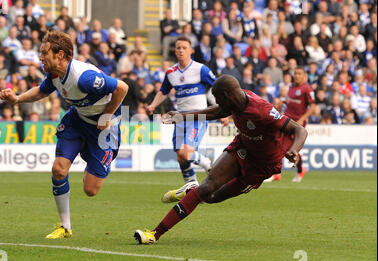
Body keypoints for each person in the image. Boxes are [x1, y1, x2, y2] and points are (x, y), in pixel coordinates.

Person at [134, 75, 308, 244]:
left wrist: (294, 150)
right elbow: (215, 112)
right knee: (207, 187)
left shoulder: (262, 110)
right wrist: (182, 115)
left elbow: (300, 130)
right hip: (243, 147)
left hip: (263, 165)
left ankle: (191, 190)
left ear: (227, 96)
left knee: (211, 197)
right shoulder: (234, 101)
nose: (217, 103)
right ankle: (154, 234)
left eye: (218, 98)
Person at [0, 30, 128, 239]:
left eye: (44, 53)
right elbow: (41, 91)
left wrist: (107, 116)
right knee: (59, 170)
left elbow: (122, 88)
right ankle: (65, 226)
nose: (40, 57)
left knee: (90, 190)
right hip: (77, 121)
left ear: (59, 54)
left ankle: (90, 155)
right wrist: (17, 99)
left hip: (104, 128)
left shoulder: (84, 78)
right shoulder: (54, 74)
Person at [147, 36, 216, 186]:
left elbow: (217, 87)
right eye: (178, 48)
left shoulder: (201, 69)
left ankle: (206, 163)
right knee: (180, 156)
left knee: (186, 152)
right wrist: (153, 104)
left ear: (191, 51)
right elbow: (163, 91)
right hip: (181, 118)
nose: (181, 50)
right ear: (175, 51)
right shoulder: (171, 72)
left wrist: (222, 109)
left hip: (198, 116)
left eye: (184, 47)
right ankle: (192, 187)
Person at [266, 67, 315, 183]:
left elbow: (313, 107)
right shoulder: (292, 87)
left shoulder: (307, 89)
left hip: (297, 123)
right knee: (284, 144)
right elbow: (291, 103)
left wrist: (302, 119)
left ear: (304, 76)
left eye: (299, 74)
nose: (297, 76)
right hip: (287, 119)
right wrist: (283, 103)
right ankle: (298, 170)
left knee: (287, 145)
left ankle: (279, 173)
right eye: (296, 73)